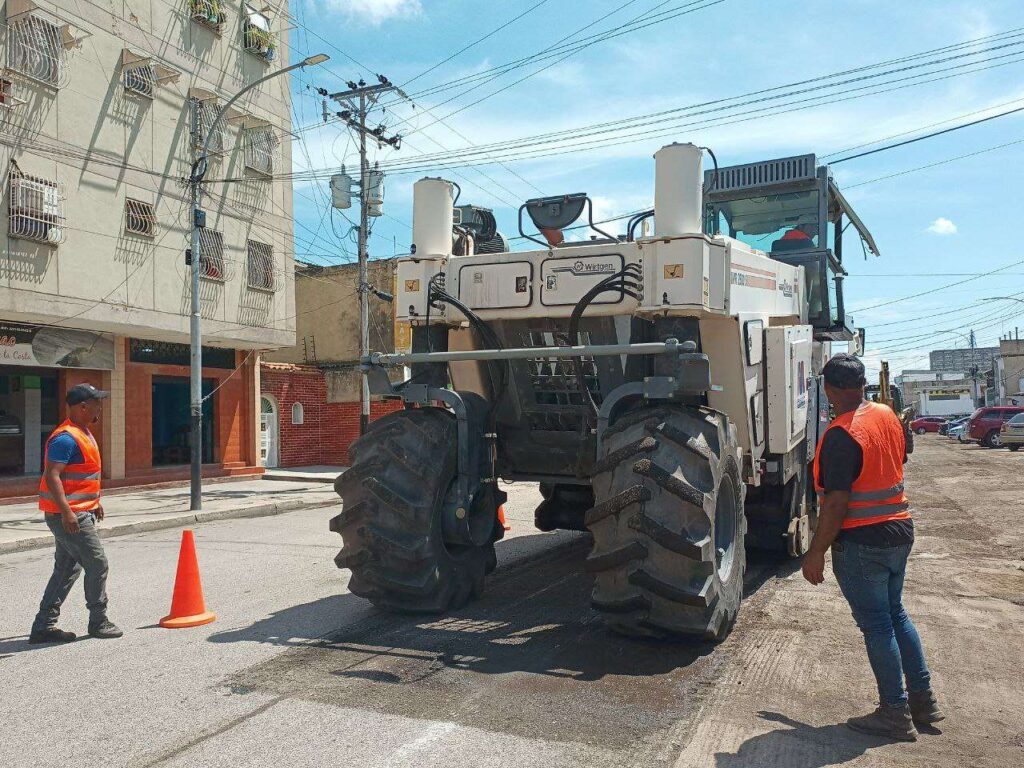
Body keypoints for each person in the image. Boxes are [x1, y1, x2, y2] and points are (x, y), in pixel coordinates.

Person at [802, 354, 941, 741]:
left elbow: (835, 503)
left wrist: (815, 553)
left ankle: (894, 713)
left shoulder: (842, 433)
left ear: (829, 390)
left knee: (878, 625)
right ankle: (923, 702)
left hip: (863, 542)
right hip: (900, 531)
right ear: (862, 384)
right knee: (896, 615)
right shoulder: (886, 416)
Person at [29, 383, 122, 644]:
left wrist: (95, 502)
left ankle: (43, 626)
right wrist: (67, 512)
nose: (99, 407)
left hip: (79, 511)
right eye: (96, 402)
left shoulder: (83, 433)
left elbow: (81, 478)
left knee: (66, 569)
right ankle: (99, 621)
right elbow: (53, 476)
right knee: (97, 563)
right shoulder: (65, 438)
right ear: (83, 407)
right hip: (70, 516)